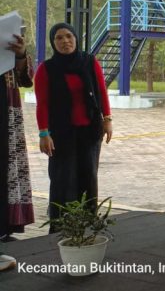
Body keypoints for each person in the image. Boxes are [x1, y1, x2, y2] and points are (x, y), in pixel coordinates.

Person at [34, 23, 113, 229]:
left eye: (69, 36)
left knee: (88, 178)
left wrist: (107, 119)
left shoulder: (89, 62)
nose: (65, 41)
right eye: (59, 38)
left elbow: (101, 91)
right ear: (53, 42)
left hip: (89, 131)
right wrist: (44, 133)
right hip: (61, 134)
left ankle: (87, 224)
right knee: (62, 180)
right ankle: (60, 226)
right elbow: (42, 103)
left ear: (76, 38)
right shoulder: (46, 69)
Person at [1, 29, 34, 269]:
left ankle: (3, 230)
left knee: (6, 172)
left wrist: (21, 54)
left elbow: (25, 79)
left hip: (6, 111)